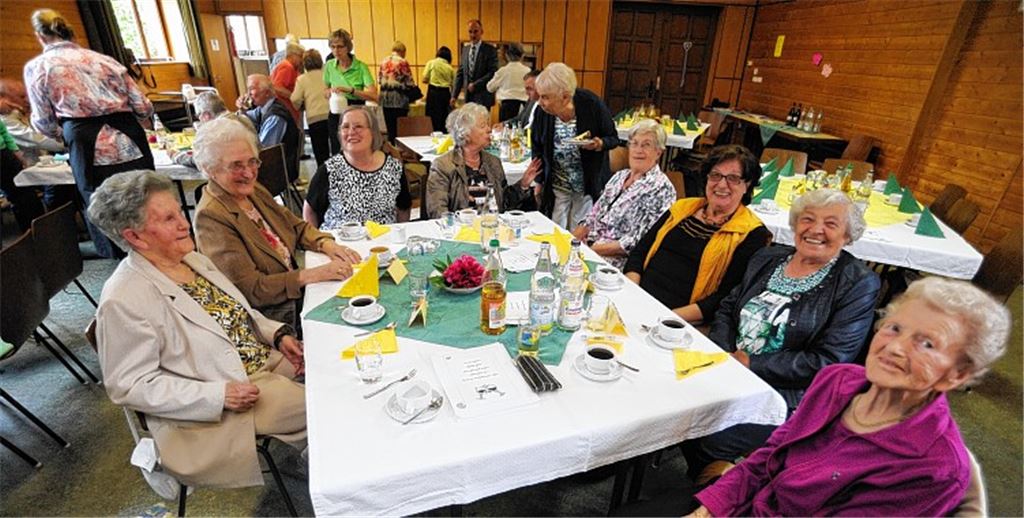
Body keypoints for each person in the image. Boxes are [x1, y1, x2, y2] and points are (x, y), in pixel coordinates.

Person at [691, 276, 1011, 517]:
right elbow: (768, 457)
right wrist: (708, 510)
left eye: (927, 343)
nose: (895, 347)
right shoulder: (838, 380)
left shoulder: (931, 467)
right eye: (894, 328)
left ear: (958, 373)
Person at [89, 170, 309, 489]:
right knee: (325, 405)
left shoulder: (190, 259)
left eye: (179, 211)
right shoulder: (123, 299)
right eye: (168, 219)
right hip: (223, 397)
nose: (183, 223)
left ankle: (327, 460)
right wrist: (216, 395)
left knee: (339, 366)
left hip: (261, 363)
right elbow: (129, 385)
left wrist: (277, 334)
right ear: (134, 237)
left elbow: (239, 314)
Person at [682, 189, 881, 483]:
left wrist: (752, 364)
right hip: (730, 368)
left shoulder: (858, 284)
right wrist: (726, 353)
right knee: (676, 407)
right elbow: (727, 307)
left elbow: (829, 361)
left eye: (830, 224)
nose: (815, 229)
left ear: (848, 235)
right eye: (807, 219)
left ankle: (718, 493)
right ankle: (710, 482)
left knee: (713, 438)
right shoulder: (767, 258)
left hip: (787, 395)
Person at [193, 118, 361, 331]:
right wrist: (312, 275)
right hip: (275, 320)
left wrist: (328, 245)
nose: (248, 172)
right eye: (236, 165)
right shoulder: (211, 217)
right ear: (209, 169)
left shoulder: (253, 191)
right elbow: (251, 289)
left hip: (296, 297)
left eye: (252, 161)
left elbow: (296, 226)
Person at [24, 8, 154, 258]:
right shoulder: (105, 60)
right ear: (70, 33)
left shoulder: (39, 67)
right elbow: (143, 105)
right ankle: (157, 252)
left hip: (88, 147)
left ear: (40, 37)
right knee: (145, 198)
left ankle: (123, 263)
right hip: (130, 142)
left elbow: (43, 121)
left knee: (106, 208)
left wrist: (64, 134)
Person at [624, 145, 769, 324]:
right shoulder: (681, 208)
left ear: (747, 185)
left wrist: (663, 318)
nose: (722, 184)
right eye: (715, 175)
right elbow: (640, 251)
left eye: (733, 178)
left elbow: (725, 298)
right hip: (636, 298)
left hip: (678, 320)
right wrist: (631, 293)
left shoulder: (751, 233)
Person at [571, 120, 675, 269]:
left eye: (646, 145)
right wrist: (571, 241)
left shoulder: (661, 189)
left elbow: (637, 242)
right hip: (588, 249)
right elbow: (593, 215)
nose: (638, 150)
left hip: (615, 263)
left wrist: (589, 250)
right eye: (634, 143)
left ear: (658, 152)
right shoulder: (620, 176)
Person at [530, 62, 619, 229]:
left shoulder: (592, 104)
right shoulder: (542, 112)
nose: (540, 102)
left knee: (579, 231)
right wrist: (539, 182)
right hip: (557, 184)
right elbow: (537, 148)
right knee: (554, 229)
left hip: (586, 184)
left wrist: (599, 144)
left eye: (545, 97)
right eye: (540, 96)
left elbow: (613, 138)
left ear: (565, 96)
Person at [425, 103, 540, 219]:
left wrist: (523, 184)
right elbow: (437, 211)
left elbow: (503, 203)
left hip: (492, 228)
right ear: (466, 133)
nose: (489, 130)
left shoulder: (493, 162)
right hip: (461, 230)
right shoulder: (443, 165)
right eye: (483, 126)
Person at [304, 106, 411, 228]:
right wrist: (318, 242)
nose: (351, 132)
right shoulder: (329, 170)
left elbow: (404, 209)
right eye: (345, 127)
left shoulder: (393, 169)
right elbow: (309, 212)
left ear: (373, 132)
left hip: (382, 242)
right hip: (339, 243)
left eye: (358, 126)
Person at [238, 74, 301, 182]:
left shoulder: (275, 116)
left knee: (236, 176)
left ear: (266, 93)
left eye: (251, 89)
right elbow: (246, 118)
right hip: (275, 166)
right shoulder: (264, 108)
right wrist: (242, 109)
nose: (248, 94)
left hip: (278, 171)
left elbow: (263, 150)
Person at [324, 29, 377, 155]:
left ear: (348, 47)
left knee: (356, 148)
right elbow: (325, 89)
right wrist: (329, 92)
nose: (336, 51)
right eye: (333, 47)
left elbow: (374, 95)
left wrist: (350, 90)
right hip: (336, 112)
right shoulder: (329, 66)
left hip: (356, 110)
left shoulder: (360, 67)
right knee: (337, 149)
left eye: (340, 47)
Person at [169, 92, 255, 168]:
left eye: (199, 115)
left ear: (206, 115)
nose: (199, 119)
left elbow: (200, 160)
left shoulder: (216, 131)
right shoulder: (243, 119)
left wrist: (176, 156)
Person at [291, 49, 331, 167]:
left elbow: (295, 99)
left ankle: (324, 177)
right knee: (335, 148)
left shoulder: (302, 79)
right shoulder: (328, 75)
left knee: (321, 152)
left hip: (315, 118)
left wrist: (301, 106)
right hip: (332, 115)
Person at [451, 19, 498, 109]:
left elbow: (493, 72)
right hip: (468, 97)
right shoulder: (465, 50)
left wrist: (476, 84)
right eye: (470, 32)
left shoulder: (490, 50)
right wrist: (454, 95)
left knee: (481, 122)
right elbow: (460, 74)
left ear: (481, 32)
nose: (473, 35)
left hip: (483, 96)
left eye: (475, 31)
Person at [378, 41, 418, 144]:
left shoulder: (383, 61)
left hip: (385, 99)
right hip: (399, 99)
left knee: (390, 129)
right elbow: (409, 82)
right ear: (402, 51)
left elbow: (379, 80)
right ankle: (400, 152)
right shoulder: (402, 62)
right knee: (400, 128)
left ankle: (391, 149)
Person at [486, 43, 530, 122]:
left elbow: (490, 87)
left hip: (507, 106)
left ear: (507, 55)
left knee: (506, 129)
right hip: (524, 105)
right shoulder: (528, 71)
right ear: (522, 55)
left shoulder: (503, 71)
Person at [270, 42, 304, 124]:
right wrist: (294, 98)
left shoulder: (288, 66)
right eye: (300, 56)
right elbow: (277, 87)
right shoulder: (287, 67)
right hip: (287, 109)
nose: (302, 60)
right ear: (293, 55)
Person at [422, 46, 454, 132]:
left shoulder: (431, 63)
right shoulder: (450, 68)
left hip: (433, 92)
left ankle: (432, 137)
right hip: (445, 93)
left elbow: (424, 79)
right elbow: (453, 84)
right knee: (444, 118)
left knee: (432, 118)